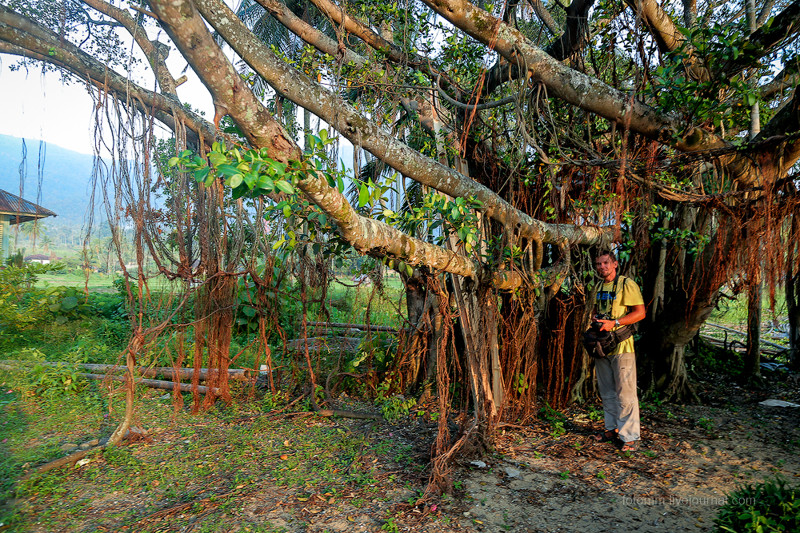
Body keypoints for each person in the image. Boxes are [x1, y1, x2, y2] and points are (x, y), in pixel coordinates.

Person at [591, 251, 646, 452]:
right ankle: (611, 428)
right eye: (598, 263)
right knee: (607, 391)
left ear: (615, 264)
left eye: (606, 262)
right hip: (602, 345)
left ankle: (630, 436)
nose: (602, 266)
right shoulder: (598, 286)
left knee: (626, 392)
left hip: (622, 345)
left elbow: (640, 313)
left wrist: (614, 322)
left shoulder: (626, 284)